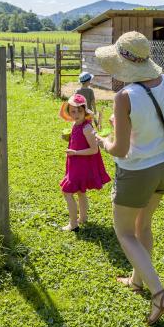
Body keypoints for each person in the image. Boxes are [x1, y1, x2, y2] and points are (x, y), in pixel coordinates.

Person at [94, 31, 164, 326]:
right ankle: (137, 280)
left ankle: (159, 293)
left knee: (125, 232)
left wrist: (104, 140)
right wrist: (124, 123)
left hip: (137, 171)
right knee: (144, 225)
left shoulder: (124, 96)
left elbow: (121, 148)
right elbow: (152, 124)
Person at [59, 93, 111, 232]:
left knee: (66, 191)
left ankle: (73, 224)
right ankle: (82, 218)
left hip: (80, 165)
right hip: (75, 163)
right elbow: (79, 141)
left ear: (84, 111)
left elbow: (94, 150)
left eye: (79, 111)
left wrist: (75, 153)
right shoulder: (75, 124)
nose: (76, 114)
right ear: (69, 111)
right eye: (73, 111)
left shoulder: (87, 128)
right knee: (81, 192)